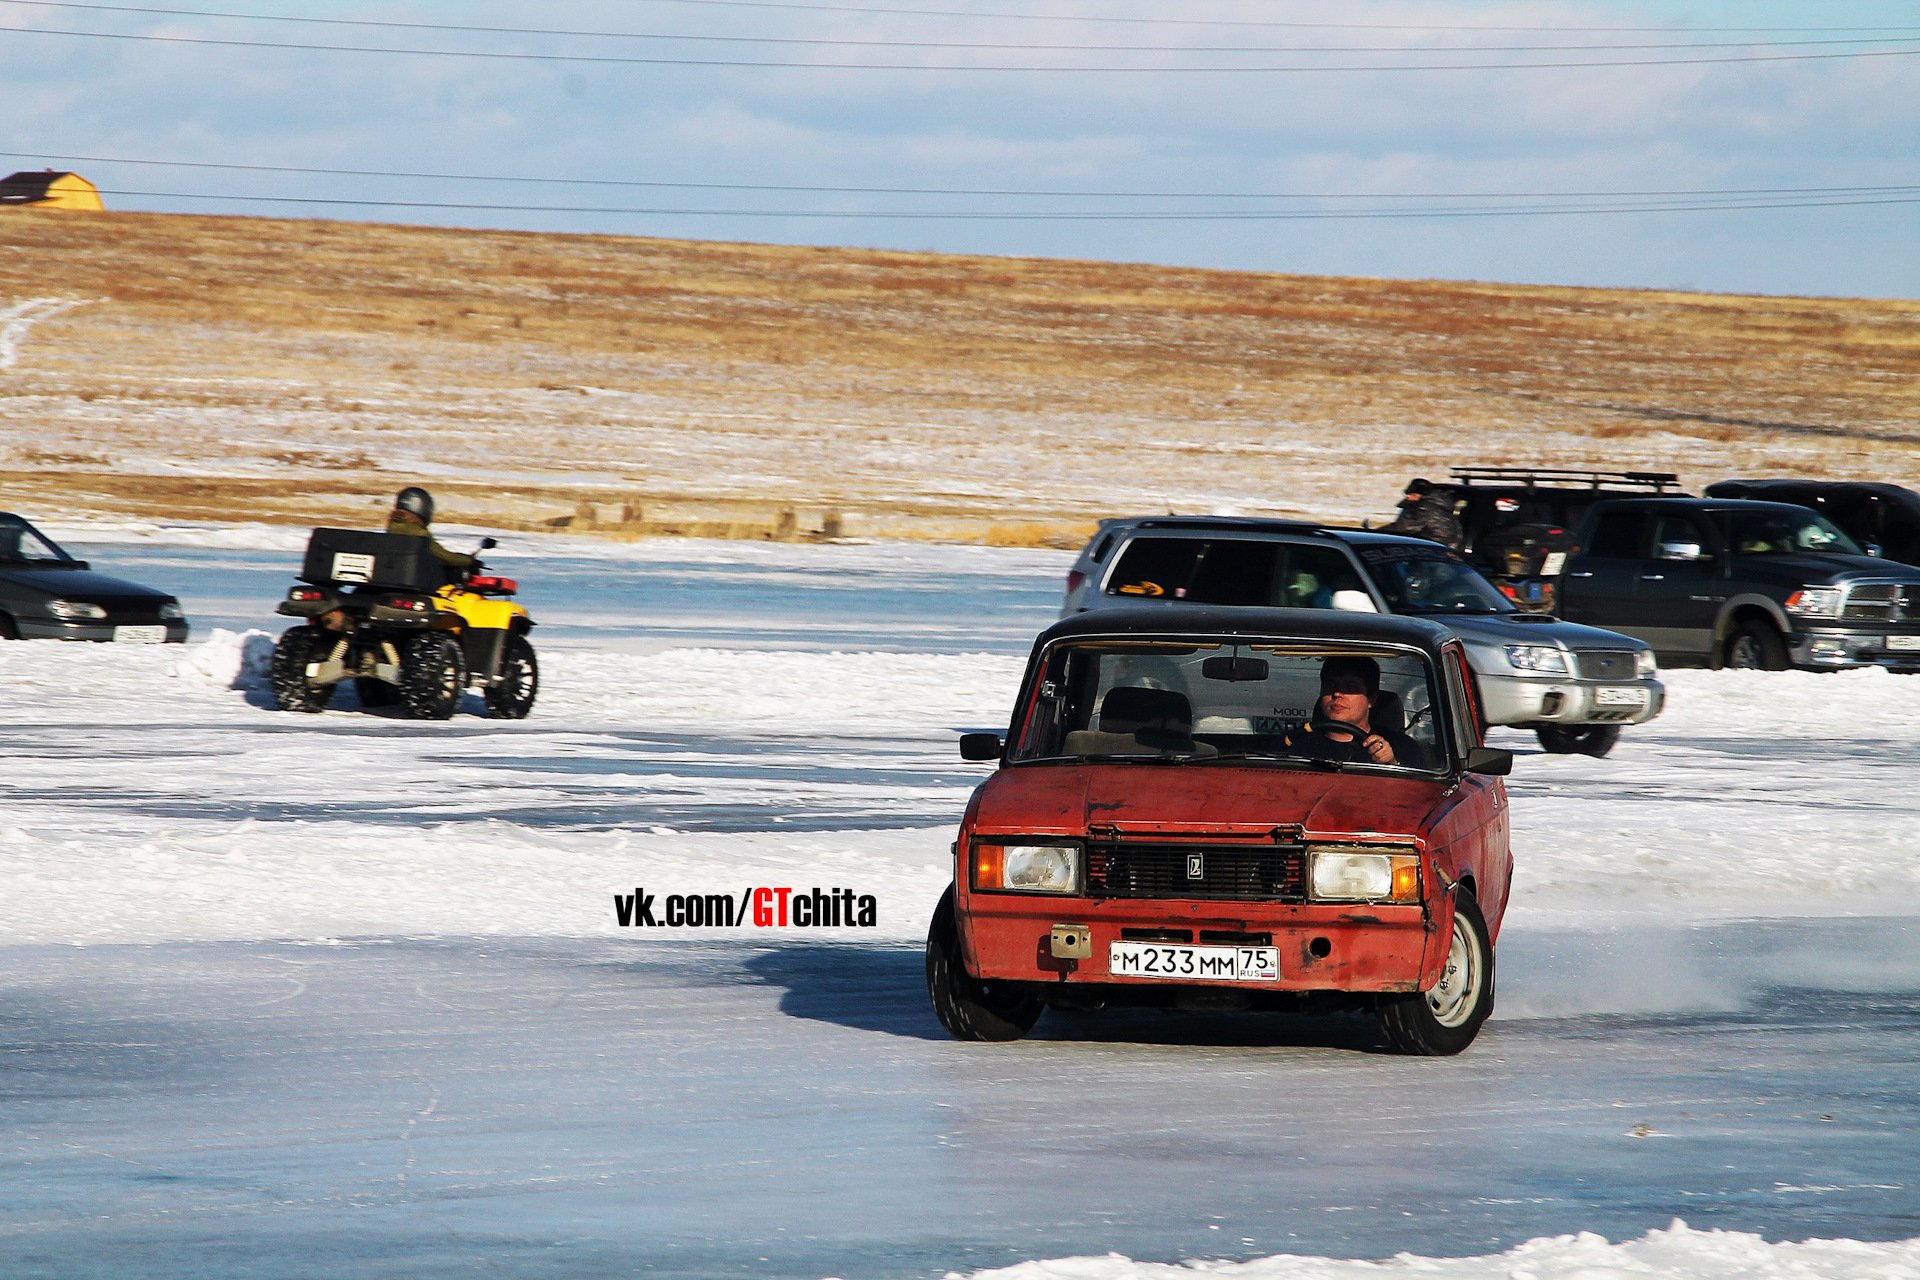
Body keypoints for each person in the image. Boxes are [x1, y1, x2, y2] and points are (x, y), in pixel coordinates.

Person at [1284, 656, 1420, 766]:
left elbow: (1419, 793)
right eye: (1330, 685)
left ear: (1371, 699)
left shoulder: (1402, 747)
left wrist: (1391, 763)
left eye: (1350, 687)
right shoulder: (1294, 743)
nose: (1337, 693)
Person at [386, 486, 476, 579]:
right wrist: (468, 561)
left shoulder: (393, 527)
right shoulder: (417, 532)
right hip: (419, 581)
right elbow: (442, 556)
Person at [1380, 478, 1465, 551]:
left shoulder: (1424, 507)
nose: (1409, 497)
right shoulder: (1438, 504)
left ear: (1420, 495)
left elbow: (1403, 527)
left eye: (1412, 495)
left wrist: (1378, 533)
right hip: (1449, 549)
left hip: (1436, 551)